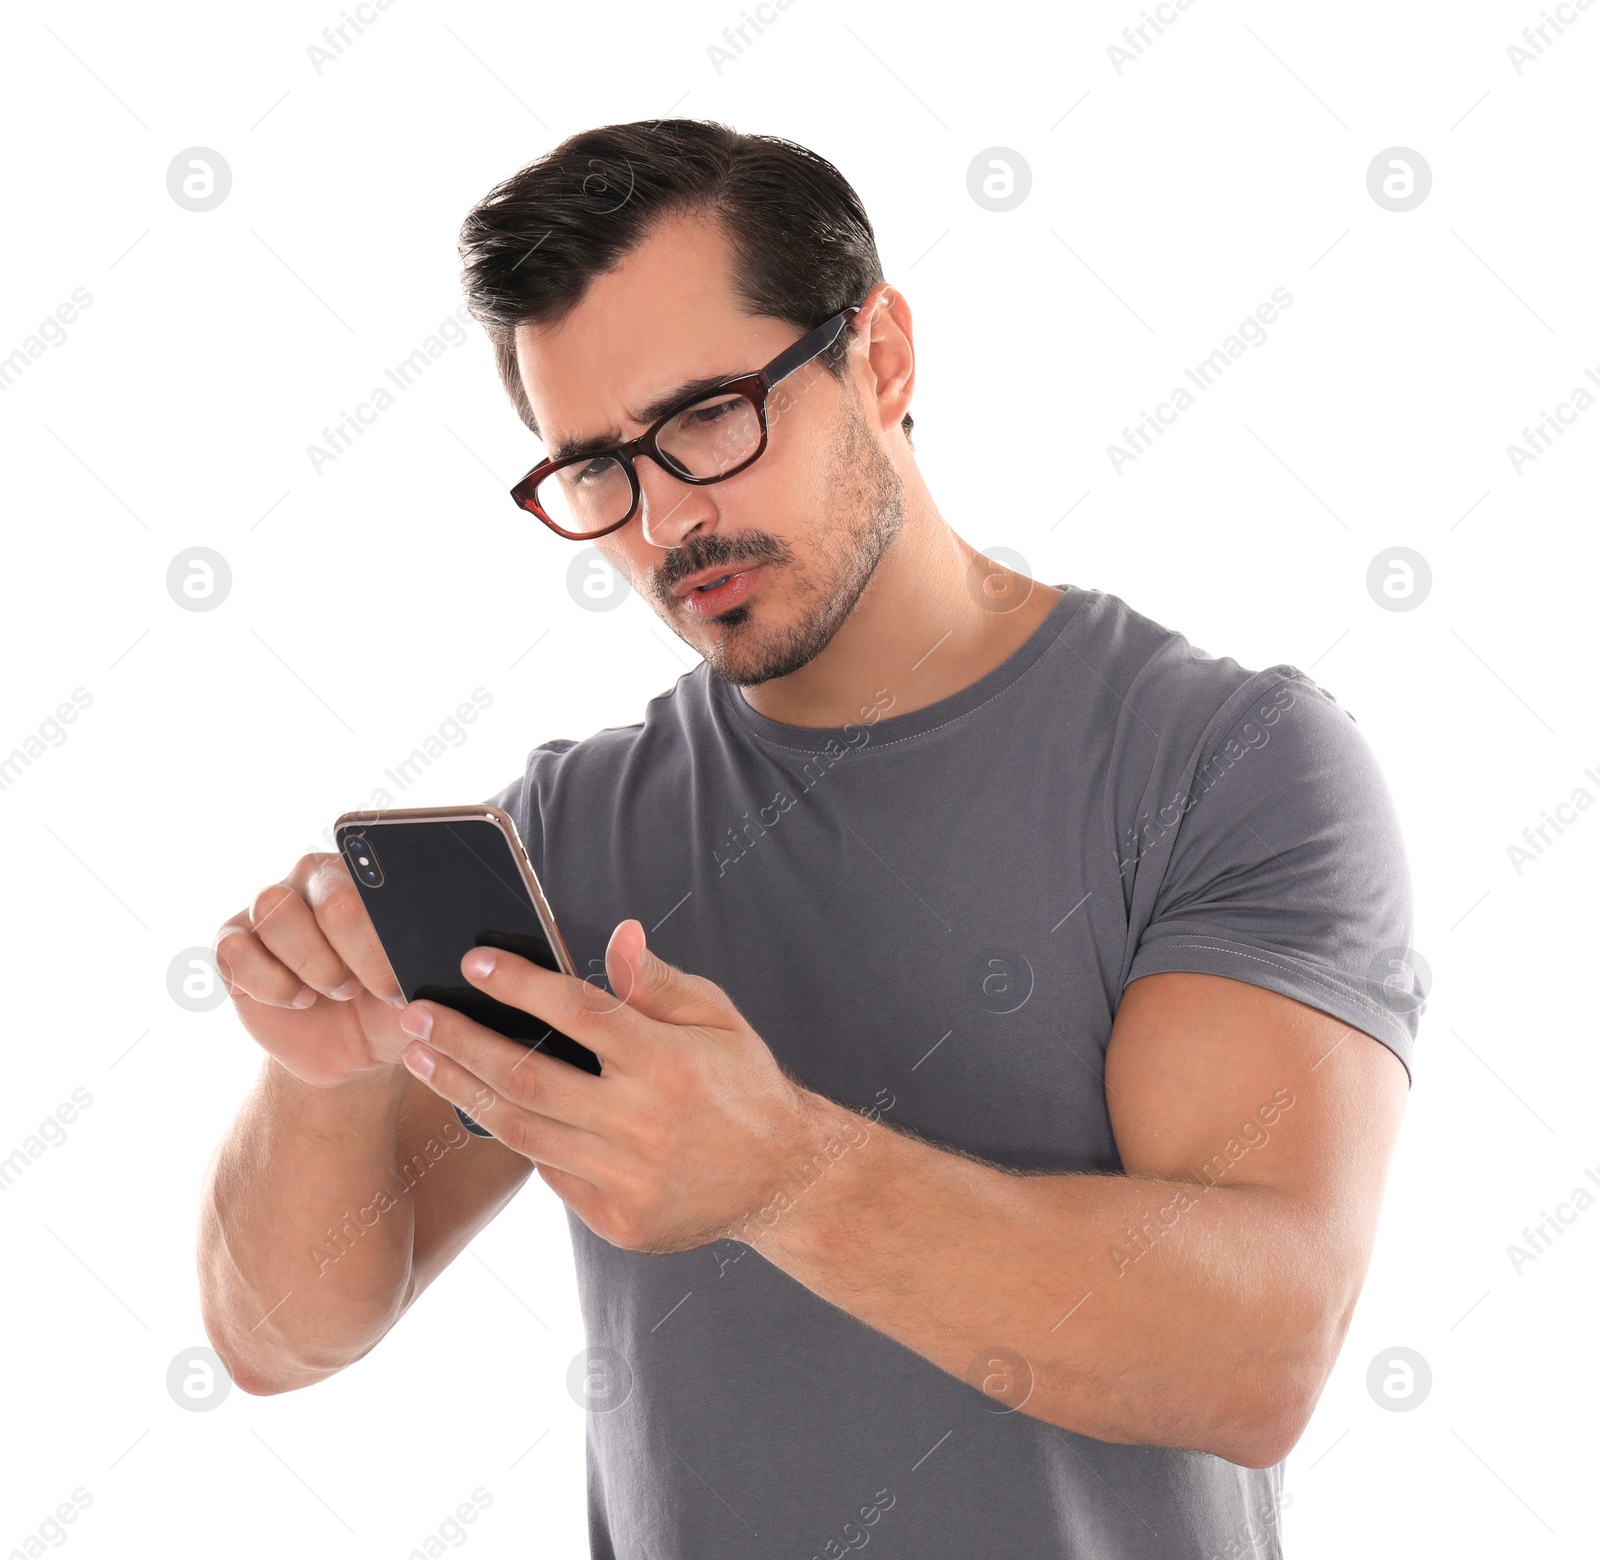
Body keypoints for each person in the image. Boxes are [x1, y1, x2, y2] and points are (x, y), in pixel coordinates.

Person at [201, 119, 1419, 1559]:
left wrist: (785, 1175)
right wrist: (326, 1083)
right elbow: (279, 1340)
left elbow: (1259, 1357)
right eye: (597, 470)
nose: (666, 519)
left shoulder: (1225, 764)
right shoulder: (570, 834)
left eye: (709, 414)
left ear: (882, 359)